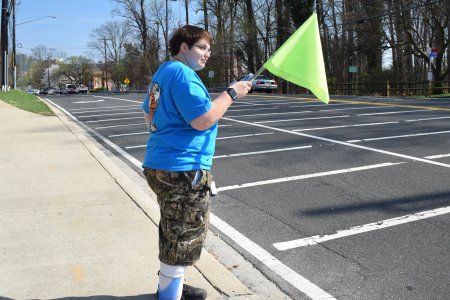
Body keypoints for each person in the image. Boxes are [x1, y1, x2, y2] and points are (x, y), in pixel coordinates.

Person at [142, 25, 252, 300]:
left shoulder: (163, 72)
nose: (207, 54)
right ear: (184, 47)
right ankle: (169, 294)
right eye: (202, 48)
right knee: (184, 236)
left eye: (208, 49)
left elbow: (148, 116)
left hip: (158, 163)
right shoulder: (184, 76)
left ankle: (170, 285)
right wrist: (232, 93)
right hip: (183, 168)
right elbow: (202, 120)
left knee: (173, 228)